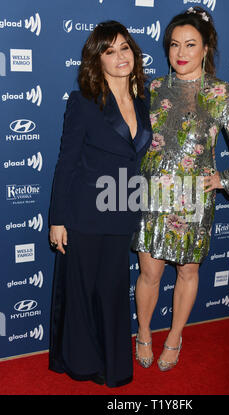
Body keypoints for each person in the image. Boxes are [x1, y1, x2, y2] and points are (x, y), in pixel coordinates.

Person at [132, 7, 229, 371]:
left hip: (194, 199)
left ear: (205, 48)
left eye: (190, 44)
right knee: (149, 273)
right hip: (153, 197)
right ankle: (143, 332)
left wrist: (225, 179)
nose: (181, 52)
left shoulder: (219, 92)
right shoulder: (154, 88)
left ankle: (174, 336)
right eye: (175, 44)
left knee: (188, 273)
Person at [48, 20, 152, 387]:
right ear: (98, 60)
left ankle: (113, 365)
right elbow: (67, 162)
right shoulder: (84, 102)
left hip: (123, 212)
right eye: (110, 51)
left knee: (111, 292)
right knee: (83, 291)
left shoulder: (144, 101)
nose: (120, 56)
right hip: (85, 214)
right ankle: (81, 363)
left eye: (125, 48)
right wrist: (58, 219)